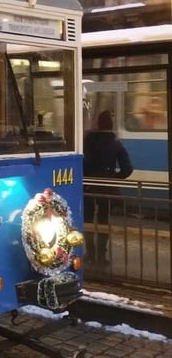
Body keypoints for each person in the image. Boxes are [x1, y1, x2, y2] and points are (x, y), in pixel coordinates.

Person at [83, 110, 133, 265]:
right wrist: (113, 178)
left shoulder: (88, 141)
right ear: (111, 125)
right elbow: (128, 168)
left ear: (97, 123)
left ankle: (90, 254)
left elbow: (83, 162)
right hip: (107, 188)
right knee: (103, 221)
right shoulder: (115, 144)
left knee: (88, 220)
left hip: (88, 187)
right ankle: (101, 256)